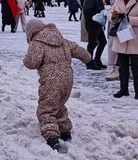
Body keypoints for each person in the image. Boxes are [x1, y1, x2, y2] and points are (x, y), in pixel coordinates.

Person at [23, 19, 92, 151]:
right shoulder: (61, 39)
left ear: (31, 33)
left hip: (51, 81)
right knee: (59, 105)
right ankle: (65, 131)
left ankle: (52, 138)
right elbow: (78, 50)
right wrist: (88, 59)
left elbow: (31, 63)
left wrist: (28, 56)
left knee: (47, 109)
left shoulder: (38, 43)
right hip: (68, 79)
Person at [83, 0, 107, 70]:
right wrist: (97, 16)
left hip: (97, 24)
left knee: (103, 42)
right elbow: (87, 10)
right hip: (92, 25)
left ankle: (97, 60)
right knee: (92, 44)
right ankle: (89, 62)